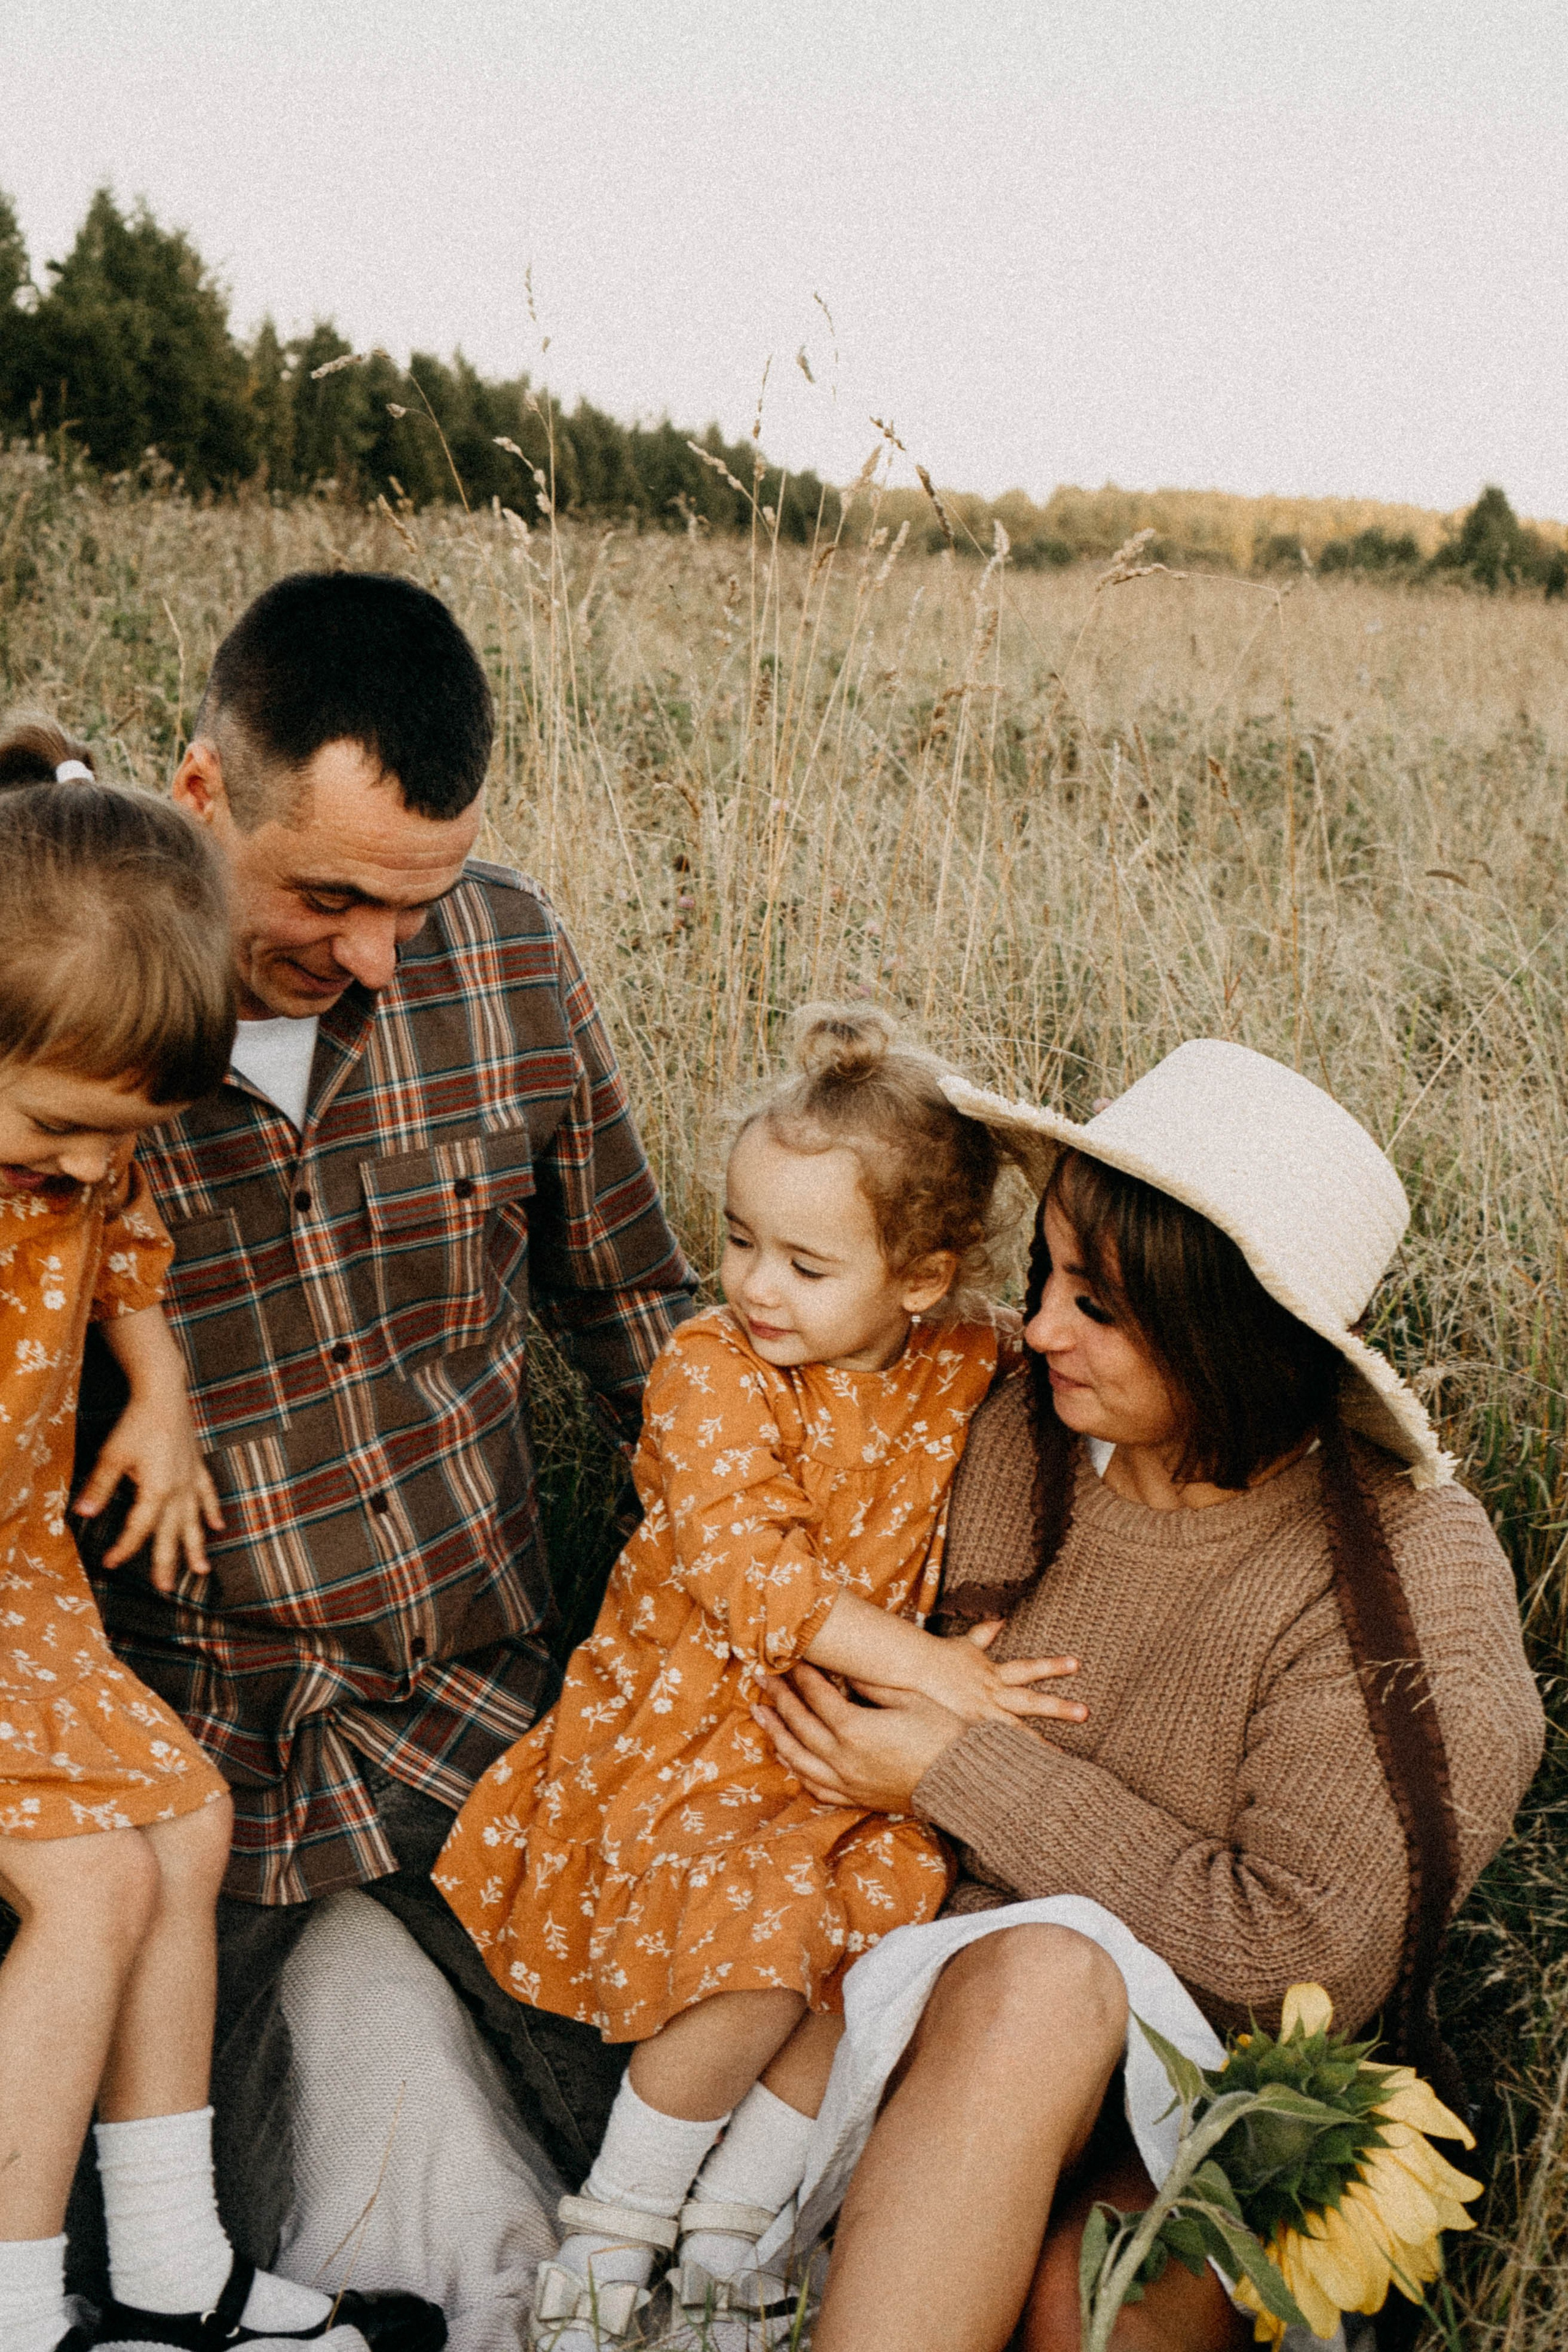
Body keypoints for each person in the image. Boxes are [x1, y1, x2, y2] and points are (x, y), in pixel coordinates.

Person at [69, 574, 696, 2273]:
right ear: (202, 792)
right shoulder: (60, 1007)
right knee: (388, 2171)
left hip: (507, 1727)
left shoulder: (507, 955)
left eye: (415, 903)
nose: (373, 958)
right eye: (331, 895)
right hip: (230, 1775)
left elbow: (640, 1309)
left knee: (713, 2139)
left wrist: (767, 1582)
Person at [756, 1039, 1545, 2352]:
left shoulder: (1399, 1573)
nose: (1042, 1328)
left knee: (1093, 2282)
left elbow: (1302, 1963)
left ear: (1233, 1336)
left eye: (1100, 1306)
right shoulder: (1011, 1422)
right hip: (921, 2023)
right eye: (1046, 1276)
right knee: (1030, 1989)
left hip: (1225, 2085)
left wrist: (956, 1768)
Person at [435, 1008, 1076, 2348]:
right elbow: (751, 1579)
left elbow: (1073, 1395)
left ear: (920, 1280)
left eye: (802, 1260)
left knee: (890, 1918)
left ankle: (741, 2224)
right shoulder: (711, 1370)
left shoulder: (968, 1365)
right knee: (762, 1921)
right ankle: (618, 2216)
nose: (755, 1285)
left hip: (832, 1753)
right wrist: (932, 1676)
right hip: (690, 1737)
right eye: (736, 1240)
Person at [0, 718, 435, 2352]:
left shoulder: (79, 1147)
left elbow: (127, 1237)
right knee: (89, 1888)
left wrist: (159, 1377)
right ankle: (17, 2306)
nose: (96, 1169)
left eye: (130, 1135)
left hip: (22, 1588)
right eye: (58, 1133)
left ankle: (177, 2266)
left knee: (185, 1823)